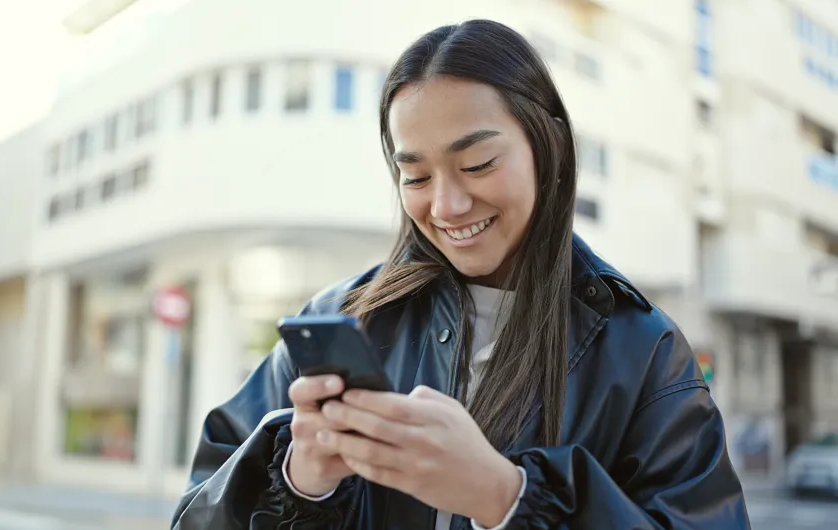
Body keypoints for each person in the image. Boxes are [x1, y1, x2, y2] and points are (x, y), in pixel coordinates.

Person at [172, 19, 750, 529]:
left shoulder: (646, 353)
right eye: (416, 177)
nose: (446, 207)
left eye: (477, 164)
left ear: (546, 147)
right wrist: (300, 481)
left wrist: (504, 497)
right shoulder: (337, 318)